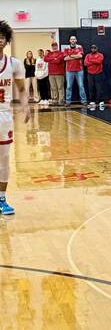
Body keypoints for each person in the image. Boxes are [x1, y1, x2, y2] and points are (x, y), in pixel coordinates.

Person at [0, 20, 30, 215]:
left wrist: (26, 106)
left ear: (7, 40)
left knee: (4, 159)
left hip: (3, 116)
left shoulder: (14, 63)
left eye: (1, 37)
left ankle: (2, 199)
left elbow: (21, 88)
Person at [64, 36, 87, 105]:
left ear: (76, 40)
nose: (73, 40)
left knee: (81, 86)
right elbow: (65, 58)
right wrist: (75, 56)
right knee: (68, 86)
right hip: (69, 70)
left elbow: (80, 56)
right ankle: (68, 101)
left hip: (79, 70)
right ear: (69, 40)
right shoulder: (66, 48)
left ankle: (84, 101)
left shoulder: (79, 47)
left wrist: (70, 56)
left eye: (74, 39)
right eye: (71, 39)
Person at [84, 44, 105, 109]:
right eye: (92, 48)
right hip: (90, 74)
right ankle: (92, 101)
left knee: (99, 88)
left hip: (98, 73)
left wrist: (91, 61)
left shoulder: (100, 55)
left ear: (97, 49)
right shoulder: (88, 55)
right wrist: (94, 61)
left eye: (94, 48)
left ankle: (100, 101)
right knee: (91, 87)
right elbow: (85, 63)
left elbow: (99, 61)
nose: (93, 49)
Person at [44, 40, 65, 106]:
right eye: (53, 46)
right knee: (53, 88)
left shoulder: (61, 53)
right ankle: (55, 100)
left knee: (60, 87)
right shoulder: (49, 53)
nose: (54, 47)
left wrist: (52, 59)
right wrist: (54, 58)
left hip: (59, 73)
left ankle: (61, 100)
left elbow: (58, 61)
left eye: (55, 46)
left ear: (57, 46)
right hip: (51, 73)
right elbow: (45, 59)